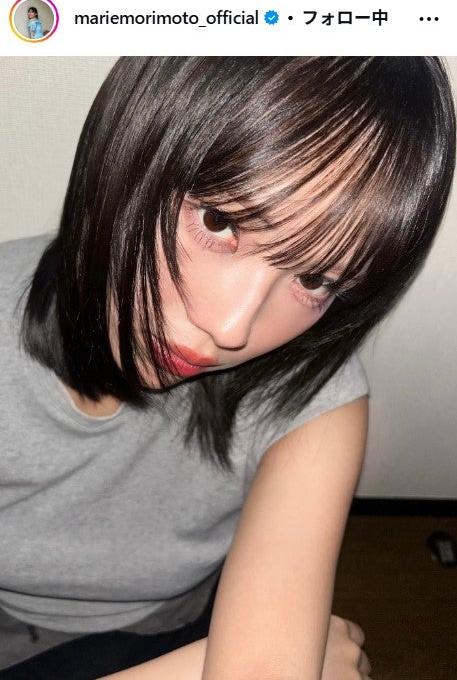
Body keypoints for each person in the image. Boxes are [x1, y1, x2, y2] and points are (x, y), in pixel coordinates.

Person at [0, 57, 454, 679]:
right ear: (127, 154)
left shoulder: (312, 395)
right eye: (220, 222)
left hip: (155, 629)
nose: (232, 329)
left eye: (315, 279)